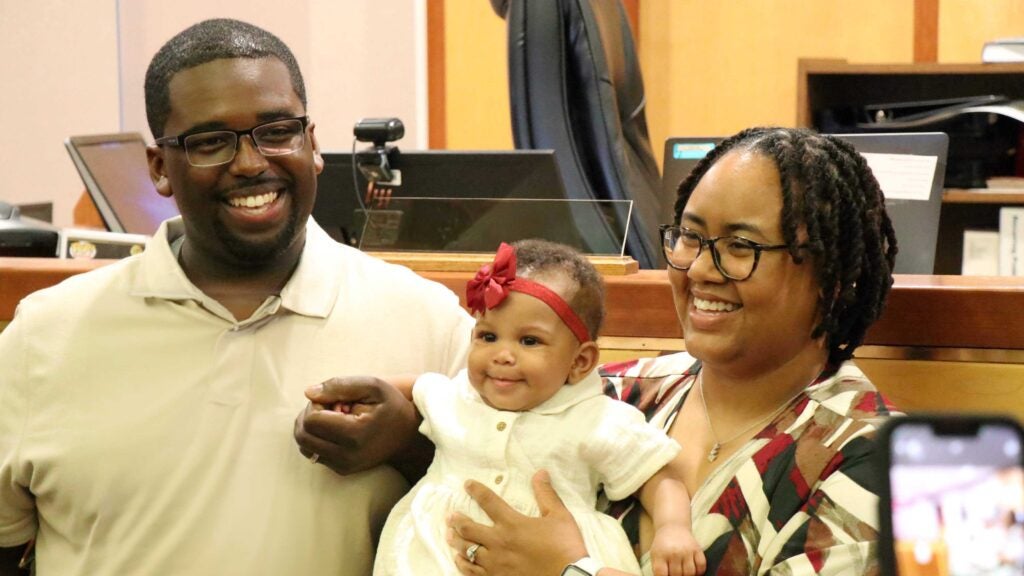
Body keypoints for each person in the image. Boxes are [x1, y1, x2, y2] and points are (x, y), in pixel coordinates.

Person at [0, 18, 473, 575]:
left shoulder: (429, 323)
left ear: (313, 144)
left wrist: (410, 445)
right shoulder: (45, 336)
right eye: (210, 142)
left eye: (277, 131)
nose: (251, 163)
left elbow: (513, 514)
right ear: (159, 169)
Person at [443, 127, 901, 575]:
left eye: (741, 246)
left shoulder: (873, 459)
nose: (700, 269)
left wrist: (570, 571)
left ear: (831, 281)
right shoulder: (610, 392)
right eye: (689, 236)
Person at [372, 240, 706, 576]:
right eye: (488, 337)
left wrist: (672, 529)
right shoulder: (458, 396)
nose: (502, 355)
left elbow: (659, 478)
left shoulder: (595, 419)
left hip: (554, 559)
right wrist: (351, 394)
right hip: (436, 555)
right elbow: (412, 387)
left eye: (529, 341)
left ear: (580, 361)